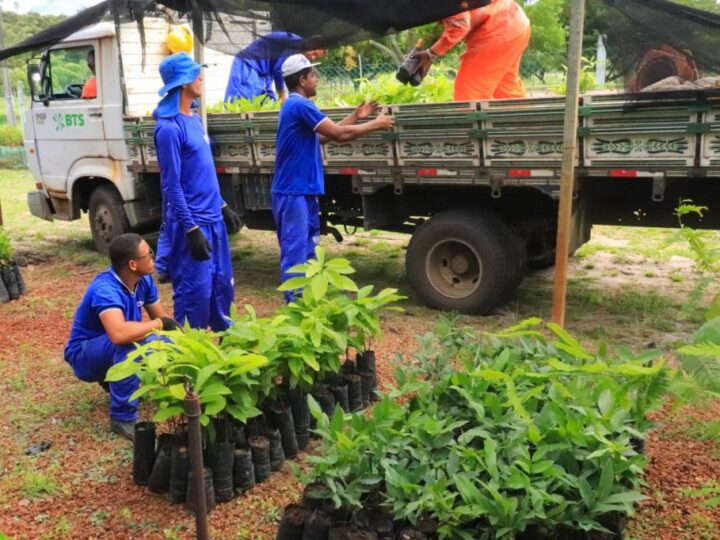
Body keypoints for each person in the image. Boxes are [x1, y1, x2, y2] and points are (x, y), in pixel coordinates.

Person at [271, 54, 394, 301]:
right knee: (296, 256)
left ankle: (308, 303)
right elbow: (338, 134)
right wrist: (377, 124)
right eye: (313, 75)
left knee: (309, 254)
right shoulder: (300, 105)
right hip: (293, 192)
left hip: (301, 191)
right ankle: (294, 309)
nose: (317, 79)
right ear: (302, 80)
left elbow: (323, 136)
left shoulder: (295, 105)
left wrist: (357, 117)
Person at [153, 52, 242, 330]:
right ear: (181, 82)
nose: (200, 77)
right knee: (195, 295)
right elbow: (172, 185)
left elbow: (201, 172)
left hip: (213, 220)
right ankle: (187, 363)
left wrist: (222, 205)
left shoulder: (193, 119)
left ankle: (224, 357)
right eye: (195, 74)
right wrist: (191, 230)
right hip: (192, 224)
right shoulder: (168, 129)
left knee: (221, 288)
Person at [64, 234, 180, 440]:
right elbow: (119, 335)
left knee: (167, 341)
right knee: (133, 344)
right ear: (133, 264)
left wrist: (179, 339)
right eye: (149, 254)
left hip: (107, 347)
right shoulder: (105, 289)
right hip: (83, 355)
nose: (154, 256)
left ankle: (115, 379)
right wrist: (160, 324)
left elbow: (162, 322)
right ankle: (122, 417)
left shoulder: (143, 280)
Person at [412, 0, 531, 101]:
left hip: (498, 29)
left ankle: (471, 127)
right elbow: (443, 23)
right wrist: (423, 48)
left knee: (468, 93)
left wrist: (431, 53)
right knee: (507, 89)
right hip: (516, 23)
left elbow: (460, 24)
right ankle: (528, 124)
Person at [224, 31, 325, 104]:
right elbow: (278, 69)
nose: (312, 57)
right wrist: (282, 95)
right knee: (239, 101)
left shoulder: (301, 54)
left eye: (316, 57)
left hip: (266, 73)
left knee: (269, 103)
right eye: (314, 53)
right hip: (249, 64)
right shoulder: (296, 44)